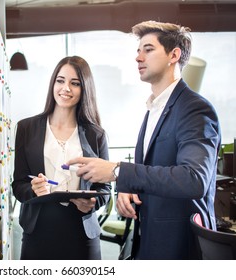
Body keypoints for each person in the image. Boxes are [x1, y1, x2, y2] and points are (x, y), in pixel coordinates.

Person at [66, 21, 221, 259]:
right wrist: (128, 189)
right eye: (138, 51)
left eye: (148, 50)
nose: (138, 58)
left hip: (180, 247)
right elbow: (155, 168)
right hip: (149, 240)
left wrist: (118, 172)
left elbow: (194, 179)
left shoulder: (195, 109)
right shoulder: (153, 109)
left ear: (174, 55)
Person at [12, 56, 111, 260]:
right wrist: (33, 190)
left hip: (82, 233)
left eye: (75, 83)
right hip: (38, 231)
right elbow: (18, 184)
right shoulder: (26, 128)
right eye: (60, 80)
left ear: (85, 89)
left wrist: (92, 201)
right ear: (53, 84)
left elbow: (105, 190)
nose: (65, 88)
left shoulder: (96, 134)